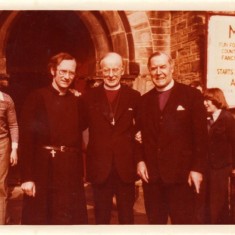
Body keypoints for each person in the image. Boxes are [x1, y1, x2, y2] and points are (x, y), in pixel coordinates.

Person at [137, 51, 208, 224]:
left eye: (163, 67)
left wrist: (197, 169)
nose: (158, 72)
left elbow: (201, 137)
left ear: (172, 67)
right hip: (153, 179)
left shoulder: (191, 96)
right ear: (149, 71)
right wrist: (140, 161)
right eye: (154, 68)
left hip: (182, 178)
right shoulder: (143, 101)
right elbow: (137, 134)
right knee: (156, 225)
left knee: (184, 225)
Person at [20, 52, 88, 225]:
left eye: (71, 73)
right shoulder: (36, 98)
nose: (67, 77)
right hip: (44, 170)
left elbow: (84, 131)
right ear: (52, 71)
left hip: (70, 171)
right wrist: (27, 177)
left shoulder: (77, 101)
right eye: (62, 71)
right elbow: (26, 140)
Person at [82, 52, 141, 224]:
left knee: (127, 217)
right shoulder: (88, 97)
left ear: (122, 70)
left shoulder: (134, 97)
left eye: (115, 69)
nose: (111, 74)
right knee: (101, 216)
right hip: (100, 166)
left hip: (125, 166)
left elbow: (141, 128)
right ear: (100, 72)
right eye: (106, 70)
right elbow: (78, 126)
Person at [204, 88, 235, 224]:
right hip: (209, 167)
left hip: (222, 168)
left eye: (208, 100)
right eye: (204, 100)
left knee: (219, 202)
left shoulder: (227, 118)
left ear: (217, 100)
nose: (205, 103)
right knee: (209, 202)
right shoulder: (207, 119)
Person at [0, 89, 18, 224]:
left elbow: (13, 125)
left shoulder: (6, 100)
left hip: (2, 144)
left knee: (1, 185)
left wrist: (14, 149)